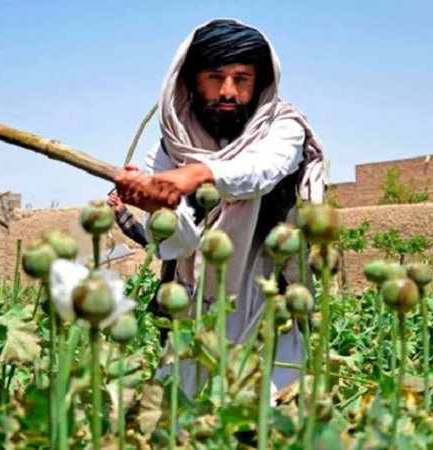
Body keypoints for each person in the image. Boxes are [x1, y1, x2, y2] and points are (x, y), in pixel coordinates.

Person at [114, 19, 327, 398]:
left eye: (241, 78)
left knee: (270, 421)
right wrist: (157, 211)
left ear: (259, 82)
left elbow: (260, 172)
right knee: (181, 421)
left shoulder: (283, 127)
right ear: (191, 81)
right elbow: (178, 243)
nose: (228, 91)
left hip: (267, 303)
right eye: (215, 77)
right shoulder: (166, 151)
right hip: (194, 309)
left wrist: (198, 174)